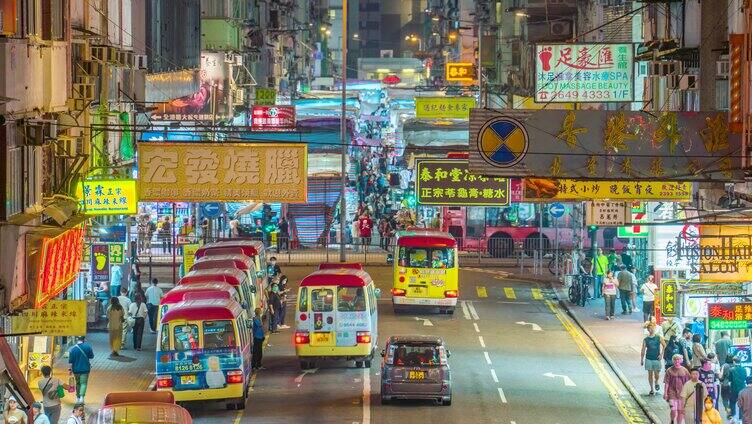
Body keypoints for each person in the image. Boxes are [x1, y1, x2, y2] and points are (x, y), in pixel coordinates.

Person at [665, 354, 691, 424]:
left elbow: (688, 383)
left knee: (680, 411)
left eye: (678, 359)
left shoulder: (685, 370)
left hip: (682, 394)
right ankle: (672, 421)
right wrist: (665, 393)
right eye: (675, 359)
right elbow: (666, 383)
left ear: (681, 361)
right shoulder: (669, 370)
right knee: (673, 410)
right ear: (673, 361)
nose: (677, 361)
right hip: (672, 393)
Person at [68, 336, 94, 403]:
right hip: (85, 369)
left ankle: (77, 398)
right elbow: (91, 356)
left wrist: (70, 370)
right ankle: (82, 398)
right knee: (83, 383)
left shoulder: (72, 349)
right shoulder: (88, 347)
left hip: (76, 370)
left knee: (78, 383)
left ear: (77, 339)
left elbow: (71, 361)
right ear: (84, 339)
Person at [641, 322, 663, 395]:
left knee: (657, 374)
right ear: (648, 330)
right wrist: (642, 359)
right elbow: (643, 349)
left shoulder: (658, 337)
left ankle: (656, 381)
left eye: (652, 328)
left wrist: (661, 354)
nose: (651, 329)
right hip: (648, 358)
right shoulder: (646, 339)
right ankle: (652, 389)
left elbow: (664, 345)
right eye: (649, 328)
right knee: (650, 374)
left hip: (656, 358)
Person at [729, 356, 749, 421]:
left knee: (732, 402)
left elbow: (730, 379)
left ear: (734, 362)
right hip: (742, 388)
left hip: (734, 388)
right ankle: (741, 417)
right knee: (742, 402)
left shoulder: (731, 370)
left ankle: (733, 415)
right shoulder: (744, 369)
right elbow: (745, 378)